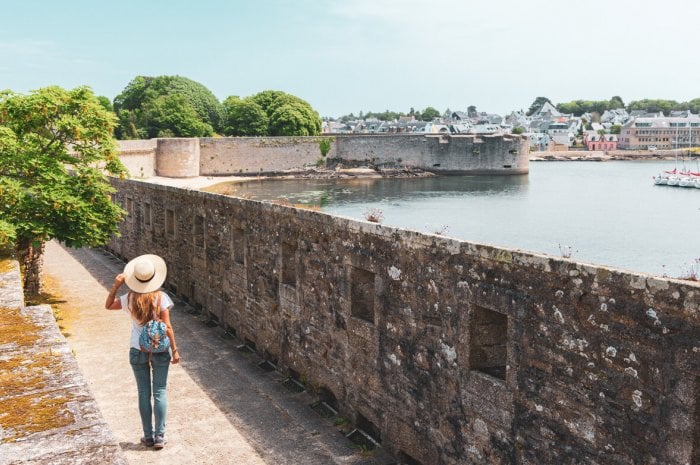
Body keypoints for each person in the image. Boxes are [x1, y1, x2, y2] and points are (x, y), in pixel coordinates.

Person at [105, 254, 180, 450]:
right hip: (159, 348)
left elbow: (108, 305)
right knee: (160, 392)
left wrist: (116, 285)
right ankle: (160, 437)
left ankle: (147, 436)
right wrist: (175, 350)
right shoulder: (161, 298)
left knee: (143, 393)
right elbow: (168, 327)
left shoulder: (129, 298)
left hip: (137, 349)